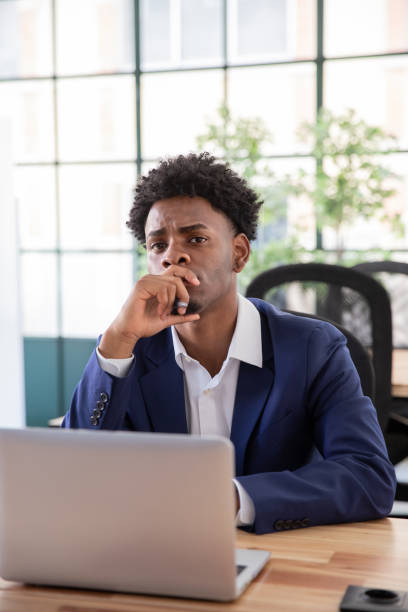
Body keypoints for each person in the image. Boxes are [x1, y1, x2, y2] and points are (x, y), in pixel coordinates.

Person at [63, 152, 396, 534]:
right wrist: (118, 340)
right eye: (158, 245)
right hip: (157, 551)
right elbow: (74, 473)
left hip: (279, 558)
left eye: (197, 238)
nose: (173, 254)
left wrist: (233, 499)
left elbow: (368, 477)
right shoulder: (127, 350)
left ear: (238, 253)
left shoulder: (312, 349)